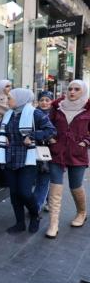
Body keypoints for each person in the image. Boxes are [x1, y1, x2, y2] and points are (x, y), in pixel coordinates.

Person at [0, 88, 55, 233]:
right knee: (14, 193)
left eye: (10, 98)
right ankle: (20, 223)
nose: (8, 100)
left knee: (25, 193)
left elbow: (51, 130)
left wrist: (32, 136)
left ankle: (35, 215)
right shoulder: (8, 114)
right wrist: (3, 137)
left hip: (27, 159)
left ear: (20, 99)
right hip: (9, 159)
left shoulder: (35, 113)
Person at [46, 80, 90, 238]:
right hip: (57, 151)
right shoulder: (57, 107)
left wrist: (85, 142)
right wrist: (51, 139)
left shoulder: (88, 108)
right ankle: (53, 223)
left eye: (76, 89)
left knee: (75, 185)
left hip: (77, 153)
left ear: (83, 91)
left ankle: (81, 212)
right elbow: (48, 125)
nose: (72, 92)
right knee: (55, 186)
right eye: (70, 88)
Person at [34, 90, 55, 212]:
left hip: (51, 151)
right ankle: (48, 201)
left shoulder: (55, 115)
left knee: (44, 177)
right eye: (41, 100)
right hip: (36, 149)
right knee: (42, 178)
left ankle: (36, 206)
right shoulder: (33, 113)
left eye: (47, 100)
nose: (44, 102)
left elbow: (57, 132)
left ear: (51, 101)